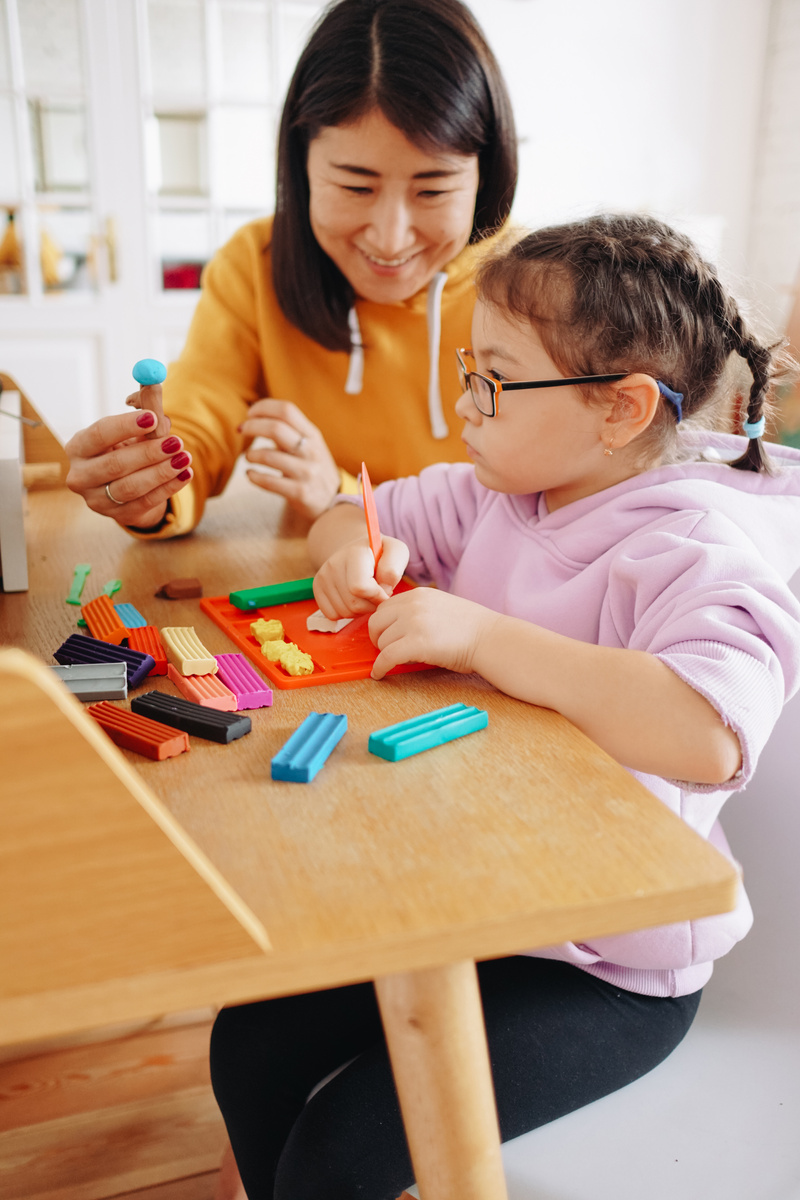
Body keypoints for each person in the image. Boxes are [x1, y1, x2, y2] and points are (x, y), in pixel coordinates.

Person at [210, 213, 800, 1199]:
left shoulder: (693, 543)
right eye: (464, 373)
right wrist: (352, 557)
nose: (463, 409)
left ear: (616, 410)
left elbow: (706, 730)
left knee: (342, 1153)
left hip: (608, 972)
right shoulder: (504, 488)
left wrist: (483, 639)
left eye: (491, 381)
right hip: (473, 912)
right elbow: (353, 512)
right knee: (249, 1043)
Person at [63, 0, 517, 534]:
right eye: (355, 186)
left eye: (433, 189)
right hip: (322, 587)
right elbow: (200, 416)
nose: (390, 237)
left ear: (484, 176)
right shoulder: (256, 265)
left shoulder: (537, 295)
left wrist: (340, 497)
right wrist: (152, 485)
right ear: (301, 165)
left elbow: (547, 510)